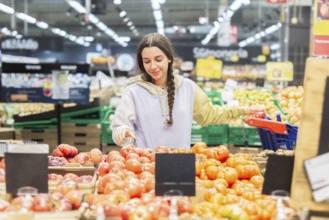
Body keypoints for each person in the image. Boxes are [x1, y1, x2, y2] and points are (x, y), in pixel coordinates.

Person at [110, 33, 263, 150]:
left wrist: (245, 110)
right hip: (144, 169)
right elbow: (120, 126)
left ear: (169, 58)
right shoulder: (133, 92)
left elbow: (210, 115)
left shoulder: (188, 88)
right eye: (147, 61)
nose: (153, 66)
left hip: (181, 165)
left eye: (158, 59)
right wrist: (122, 132)